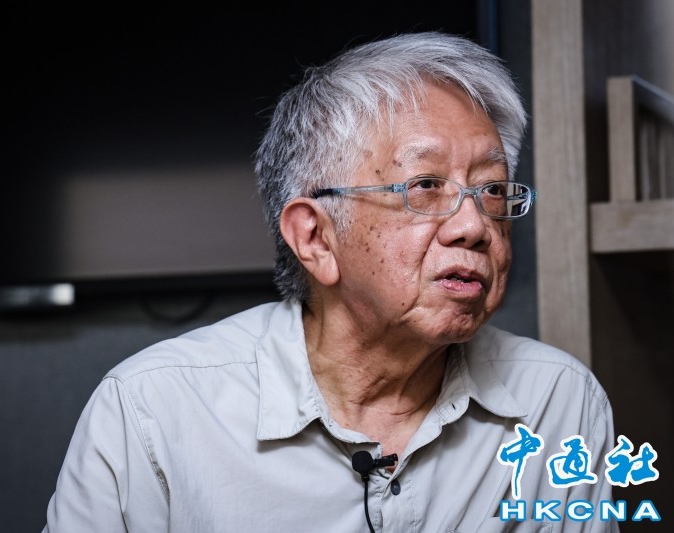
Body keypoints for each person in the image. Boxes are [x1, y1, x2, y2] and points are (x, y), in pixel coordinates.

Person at [43, 32, 617, 532]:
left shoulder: (556, 401)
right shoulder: (154, 409)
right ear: (316, 238)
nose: (473, 226)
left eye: (491, 189)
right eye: (425, 186)